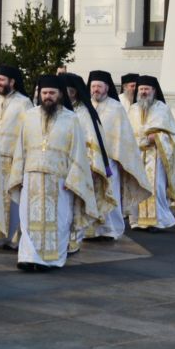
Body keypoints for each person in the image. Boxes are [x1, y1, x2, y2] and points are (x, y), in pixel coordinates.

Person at [5, 75, 104, 272]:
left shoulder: (71, 119)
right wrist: (19, 175)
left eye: (52, 93)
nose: (48, 96)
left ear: (60, 95)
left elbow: (78, 152)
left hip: (59, 180)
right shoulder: (30, 116)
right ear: (39, 94)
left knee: (57, 219)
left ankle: (50, 259)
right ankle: (28, 256)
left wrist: (73, 179)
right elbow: (20, 148)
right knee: (28, 218)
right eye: (44, 93)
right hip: (31, 177)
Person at [86, 71, 150, 240]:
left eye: (99, 86)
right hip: (89, 161)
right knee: (90, 195)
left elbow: (124, 137)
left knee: (110, 194)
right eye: (93, 86)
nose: (96, 89)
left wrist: (122, 160)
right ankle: (91, 230)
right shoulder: (85, 107)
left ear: (107, 87)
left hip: (109, 162)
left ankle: (110, 229)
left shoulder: (116, 108)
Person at [56, 74, 116, 248]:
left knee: (76, 204)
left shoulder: (84, 113)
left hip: (79, 166)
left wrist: (89, 167)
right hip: (59, 165)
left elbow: (92, 143)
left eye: (67, 91)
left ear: (74, 92)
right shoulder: (59, 111)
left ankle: (73, 241)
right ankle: (60, 240)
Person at [0, 65, 32, 249]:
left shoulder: (24, 103)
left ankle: (13, 238)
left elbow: (28, 132)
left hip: (14, 159)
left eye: (2, 80)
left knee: (13, 200)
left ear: (12, 82)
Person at [128, 76, 175, 233]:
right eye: (141, 89)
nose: (143, 92)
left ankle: (155, 221)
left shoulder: (161, 108)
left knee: (154, 187)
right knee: (136, 186)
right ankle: (137, 220)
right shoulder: (133, 109)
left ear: (154, 90)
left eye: (147, 89)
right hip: (136, 154)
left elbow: (173, 134)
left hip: (154, 155)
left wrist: (156, 137)